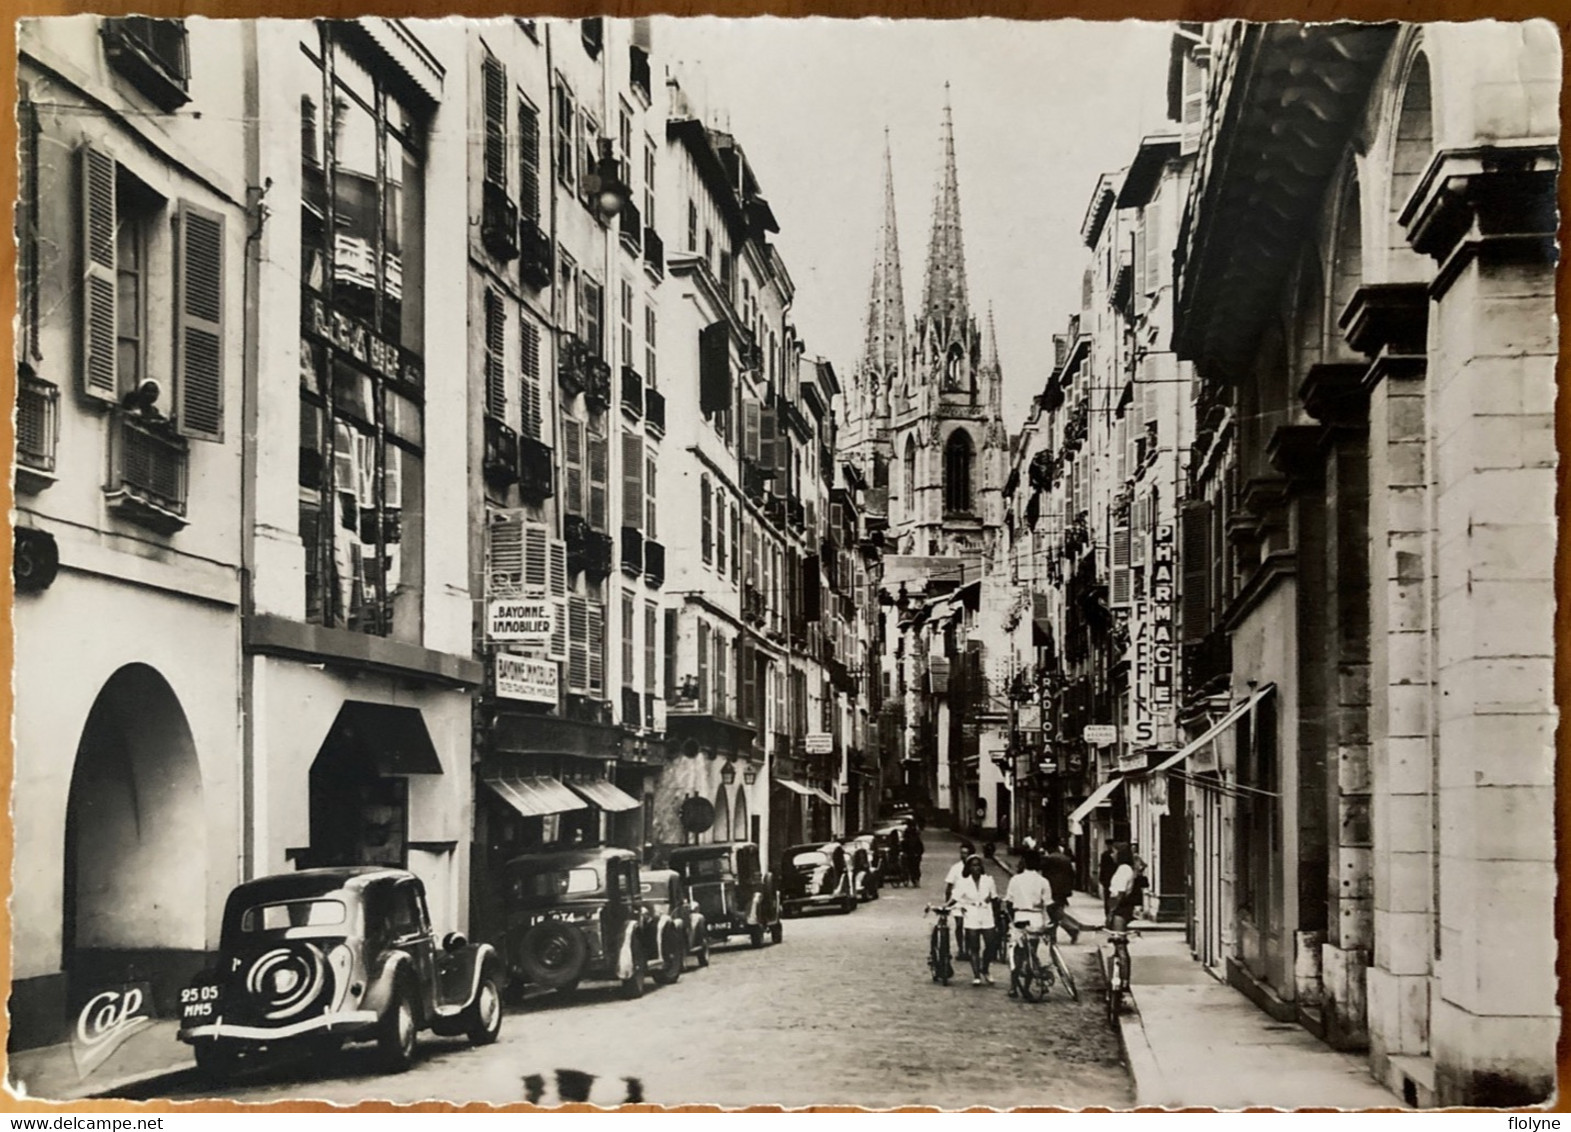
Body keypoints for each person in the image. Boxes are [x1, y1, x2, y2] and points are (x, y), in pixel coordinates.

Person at [1003, 850, 1053, 997]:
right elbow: (1048, 903)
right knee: (1032, 953)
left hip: (1020, 917)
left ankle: (1013, 987)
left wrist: (1011, 921)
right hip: (1036, 918)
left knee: (1018, 955)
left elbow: (1009, 902)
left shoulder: (1015, 880)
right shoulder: (1043, 881)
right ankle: (1027, 986)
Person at [948, 854, 999, 986]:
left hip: (986, 913)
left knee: (991, 944)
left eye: (978, 865)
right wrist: (945, 906)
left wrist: (998, 915)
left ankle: (985, 968)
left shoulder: (988, 880)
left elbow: (994, 898)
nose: (976, 868)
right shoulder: (964, 882)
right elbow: (955, 898)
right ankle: (976, 975)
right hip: (971, 914)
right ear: (969, 868)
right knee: (974, 946)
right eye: (973, 865)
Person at [1039, 841, 1084, 943]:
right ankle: (1054, 935)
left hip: (1052, 890)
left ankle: (1071, 929)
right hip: (1063, 890)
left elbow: (1041, 871)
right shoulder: (1066, 859)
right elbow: (1072, 875)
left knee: (1054, 913)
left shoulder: (1048, 859)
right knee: (1056, 912)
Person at [944, 842, 976, 959]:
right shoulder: (956, 868)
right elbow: (949, 887)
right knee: (959, 925)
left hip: (970, 901)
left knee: (969, 927)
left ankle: (968, 949)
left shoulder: (976, 868)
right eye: (961, 853)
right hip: (957, 901)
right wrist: (947, 904)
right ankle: (961, 949)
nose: (963, 856)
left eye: (966, 853)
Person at [1105, 844, 1142, 930]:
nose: (1112, 855)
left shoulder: (1124, 869)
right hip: (1120, 905)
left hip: (1120, 906)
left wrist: (1112, 911)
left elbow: (1120, 892)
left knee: (1118, 935)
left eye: (1114, 852)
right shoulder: (1123, 868)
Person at [1098, 843, 1120, 921]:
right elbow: (1102, 867)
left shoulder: (1118, 857)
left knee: (1110, 897)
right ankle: (1108, 914)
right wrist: (1101, 878)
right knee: (1107, 897)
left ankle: (1110, 915)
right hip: (1107, 879)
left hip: (1112, 878)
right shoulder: (1105, 855)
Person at [902, 820, 925, 886]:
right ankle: (915, 879)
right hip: (911, 854)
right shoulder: (908, 834)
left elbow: (920, 847)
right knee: (913, 867)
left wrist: (918, 853)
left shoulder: (915, 836)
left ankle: (916, 879)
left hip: (915, 854)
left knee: (914, 867)